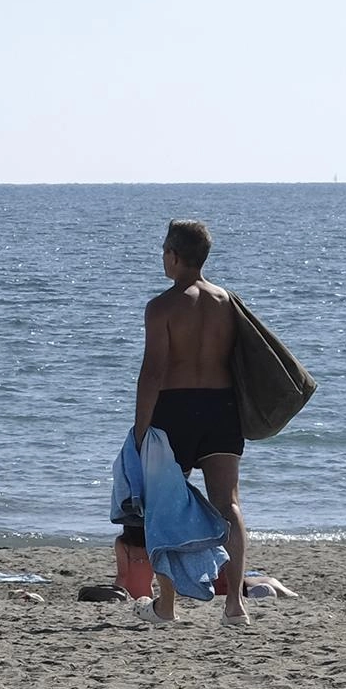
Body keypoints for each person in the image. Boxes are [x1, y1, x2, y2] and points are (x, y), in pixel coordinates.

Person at [132, 219, 249, 627]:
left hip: (175, 409)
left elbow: (153, 372)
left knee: (163, 507)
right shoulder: (227, 302)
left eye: (165, 250)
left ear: (175, 255)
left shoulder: (162, 306)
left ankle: (166, 605)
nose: (162, 256)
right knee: (228, 504)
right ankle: (235, 605)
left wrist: (140, 429)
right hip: (221, 408)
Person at [113, 525, 154, 600]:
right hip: (147, 594)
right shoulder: (151, 541)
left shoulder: (122, 543)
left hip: (127, 594)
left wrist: (115, 594)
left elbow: (122, 574)